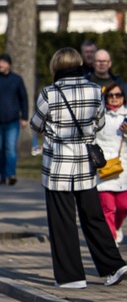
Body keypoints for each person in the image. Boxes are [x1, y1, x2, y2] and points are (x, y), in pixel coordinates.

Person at [29, 48, 127, 288]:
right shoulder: (95, 90)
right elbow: (101, 121)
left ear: (56, 66)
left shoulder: (49, 93)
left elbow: (36, 124)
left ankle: (71, 276)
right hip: (85, 162)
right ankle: (113, 265)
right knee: (93, 217)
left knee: (62, 220)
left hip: (58, 164)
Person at [0, 53, 29, 185]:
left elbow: (23, 99)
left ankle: (11, 173)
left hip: (12, 120)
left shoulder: (17, 80)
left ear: (8, 64)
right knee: (0, 149)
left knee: (10, 147)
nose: (0, 65)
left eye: (3, 62)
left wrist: (24, 117)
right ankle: (2, 175)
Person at [94, 83, 127, 243]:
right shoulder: (99, 115)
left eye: (118, 95)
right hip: (104, 167)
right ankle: (111, 240)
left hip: (124, 168)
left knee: (123, 206)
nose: (114, 98)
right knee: (107, 207)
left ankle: (117, 227)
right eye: (111, 95)